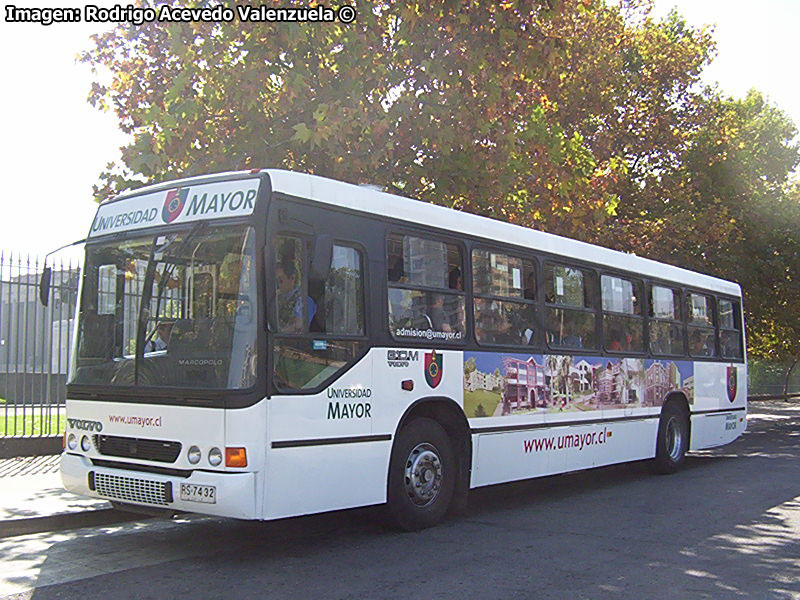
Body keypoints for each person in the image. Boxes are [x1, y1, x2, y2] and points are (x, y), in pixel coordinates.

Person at [276, 264, 316, 333]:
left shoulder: (303, 301)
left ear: (292, 278)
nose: (277, 285)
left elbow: (297, 327)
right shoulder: (277, 299)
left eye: (280, 280)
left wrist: (278, 332)